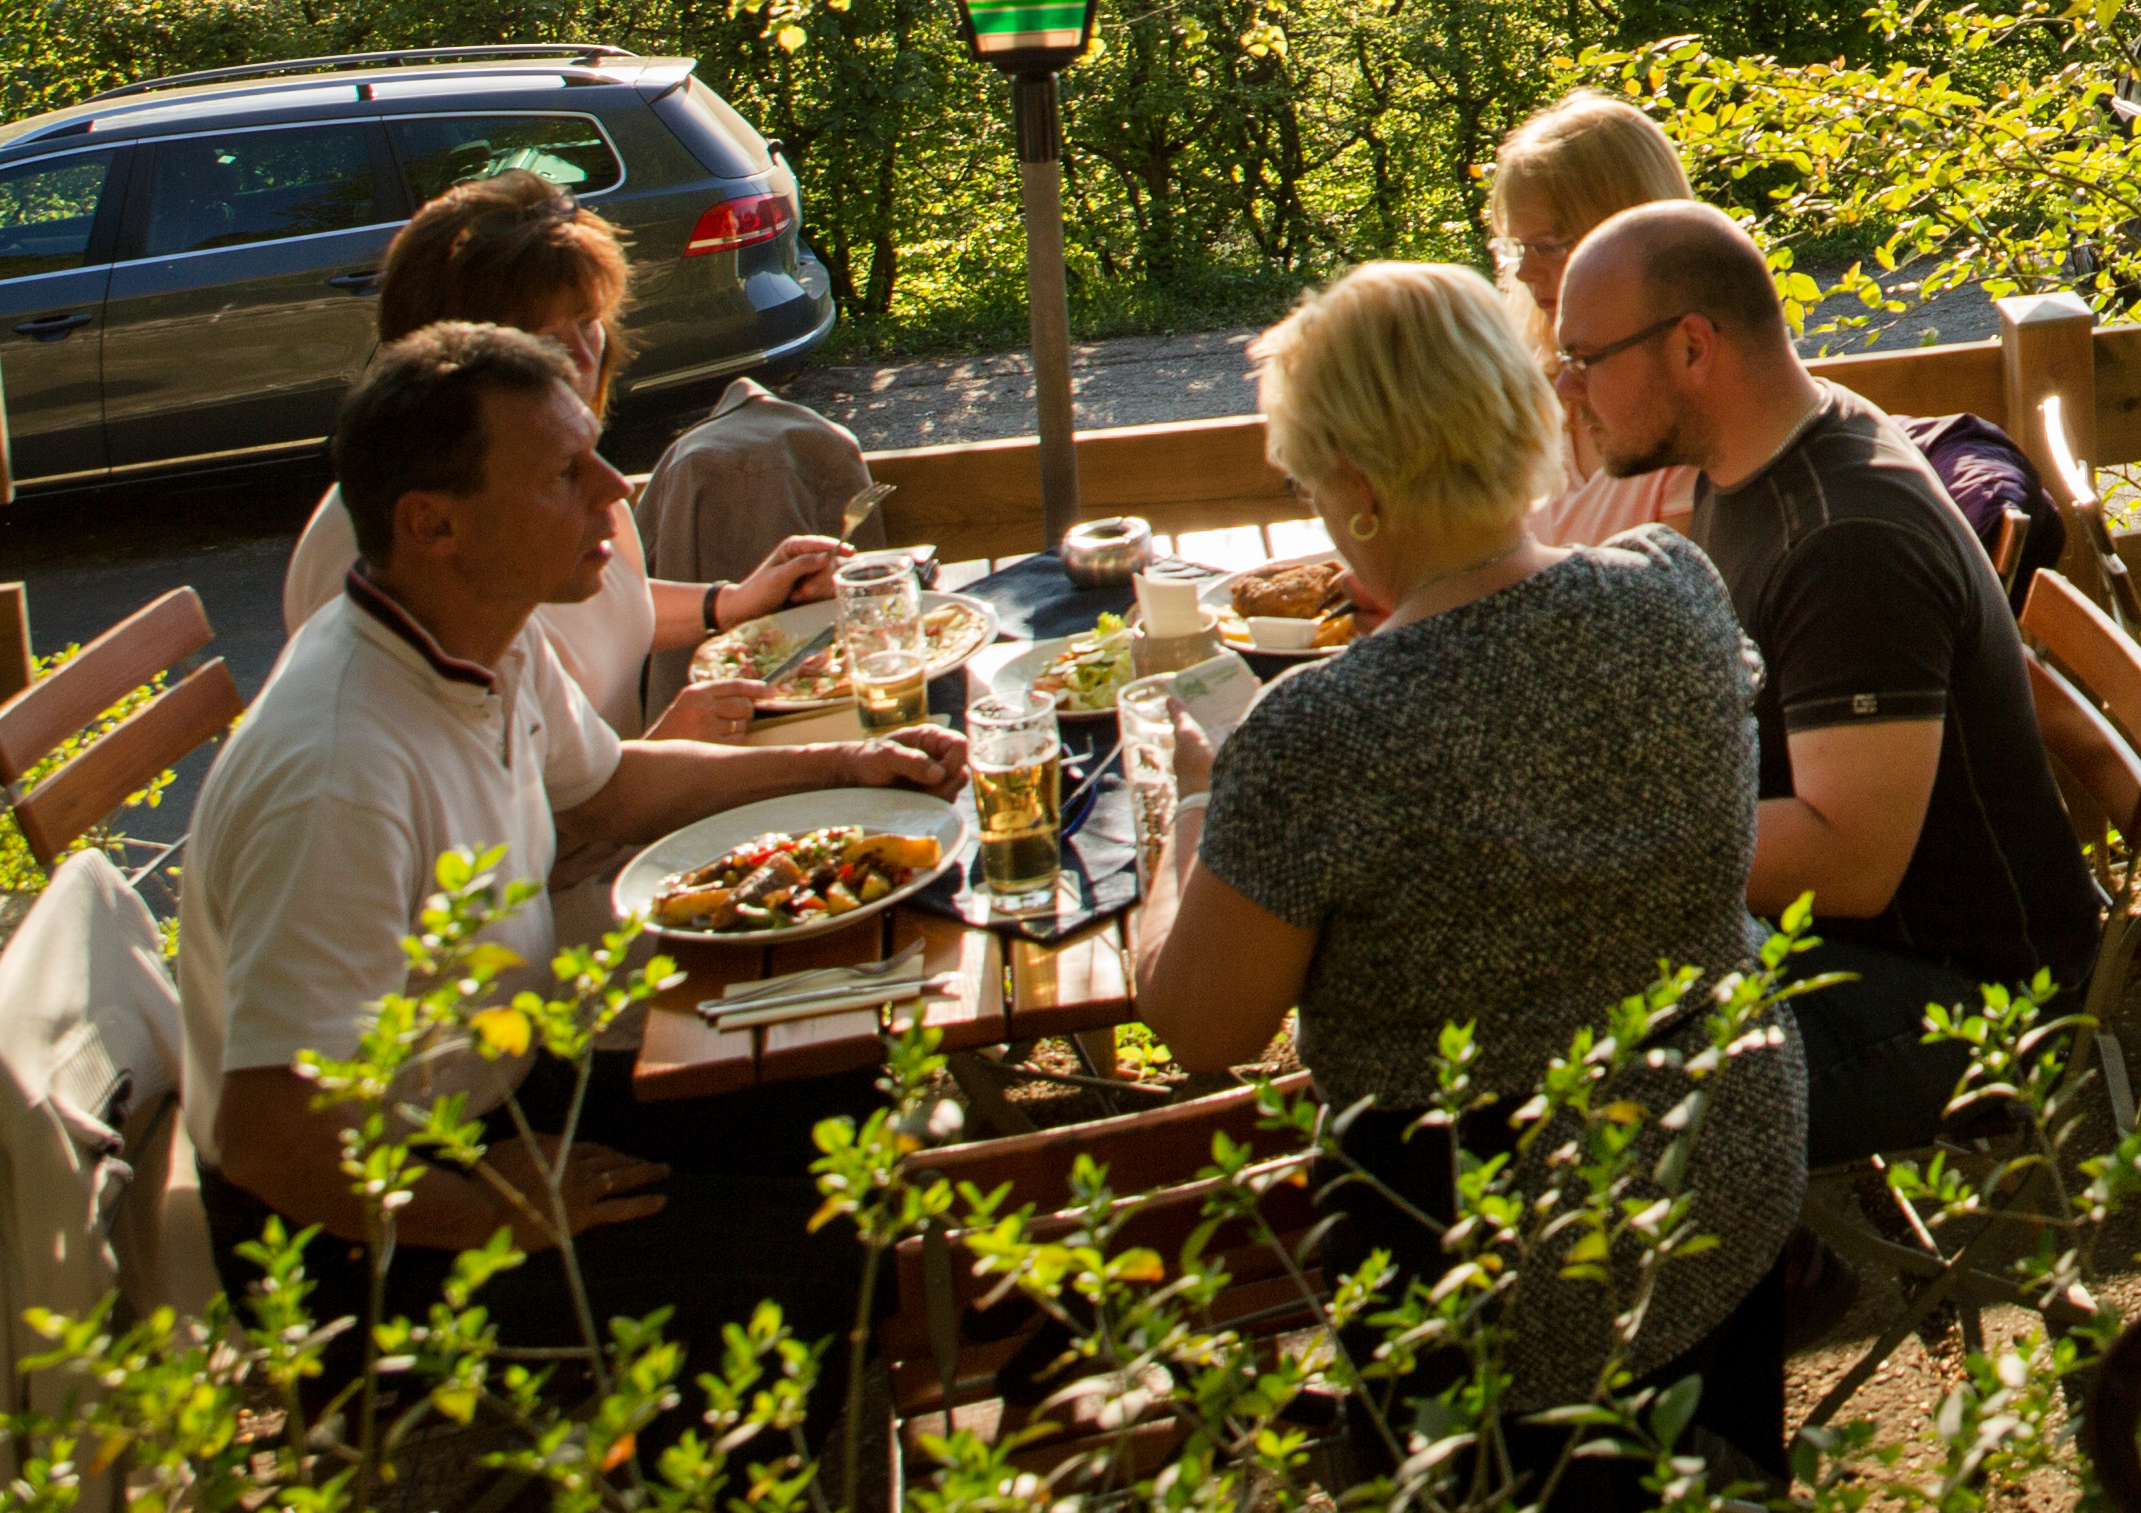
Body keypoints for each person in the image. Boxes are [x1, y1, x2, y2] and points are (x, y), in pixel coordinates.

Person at [177, 327, 959, 1406]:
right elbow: (267, 1139)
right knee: (840, 1258)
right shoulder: (338, 772)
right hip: (366, 1238)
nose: (615, 486)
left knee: (856, 1091)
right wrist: (482, 1209)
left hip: (501, 1094)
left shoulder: (483, 637)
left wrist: (852, 759)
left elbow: (615, 787)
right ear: (432, 524)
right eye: (563, 473)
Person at [1133, 261, 1801, 1482]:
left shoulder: (1318, 735)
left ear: (1357, 488)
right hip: (1715, 1166)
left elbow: (1200, 1027)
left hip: (1478, 1249)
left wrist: (1187, 806)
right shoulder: (1674, 587)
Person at [1544, 198, 2104, 1169]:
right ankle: (1767, 1276)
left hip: (1971, 1008)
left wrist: (1595, 852)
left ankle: (1768, 1289)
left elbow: (1851, 861)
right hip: (1869, 957)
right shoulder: (1756, 465)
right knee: (1540, 1011)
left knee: (1576, 1113)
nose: (1568, 392)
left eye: (1585, 360)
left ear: (1690, 348)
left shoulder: (1845, 542)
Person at [276, 173, 856, 744]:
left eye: (588, 323)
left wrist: (729, 602)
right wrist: (669, 740)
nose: (582, 359)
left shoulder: (542, 474)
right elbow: (514, 809)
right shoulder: (383, 553)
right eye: (542, 341)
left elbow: (600, 612)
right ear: (447, 356)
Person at [1486, 95, 1708, 548]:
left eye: (1549, 244)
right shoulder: (1529, 389)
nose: (1526, 272)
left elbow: (1677, 608)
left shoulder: (1690, 415)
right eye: (1517, 247)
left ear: (1631, 233)